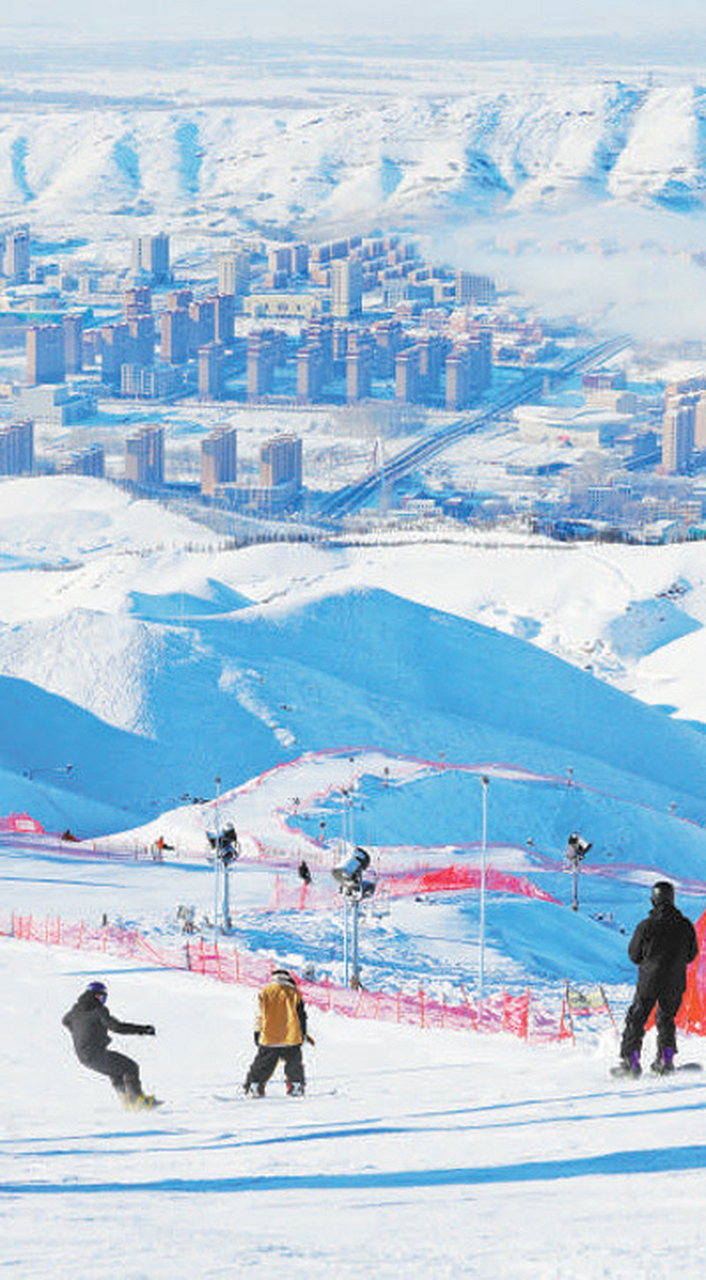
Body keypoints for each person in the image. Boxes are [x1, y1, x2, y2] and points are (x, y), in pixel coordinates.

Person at [617, 881, 698, 1076]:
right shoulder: (685, 925)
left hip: (649, 981)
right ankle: (666, 1059)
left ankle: (632, 1062)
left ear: (654, 900)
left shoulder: (646, 926)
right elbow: (692, 954)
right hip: (675, 982)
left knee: (636, 1018)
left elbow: (634, 955)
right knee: (666, 1019)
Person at [62, 980, 158, 1108]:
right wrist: (143, 1030)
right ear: (96, 996)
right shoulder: (98, 1010)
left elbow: (65, 1021)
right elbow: (116, 1027)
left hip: (83, 1057)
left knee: (116, 1072)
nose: (102, 1000)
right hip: (95, 1054)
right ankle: (138, 1101)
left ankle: (127, 1101)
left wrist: (81, 1033)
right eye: (101, 997)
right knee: (131, 1067)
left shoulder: (74, 1012)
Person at [244, 967, 310, 1097]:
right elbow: (301, 1015)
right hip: (291, 1036)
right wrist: (303, 1033)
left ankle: (255, 1086)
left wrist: (257, 1032)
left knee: (263, 1064)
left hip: (269, 1036)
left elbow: (259, 1015)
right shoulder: (294, 993)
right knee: (294, 1063)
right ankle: (296, 1085)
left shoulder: (265, 992)